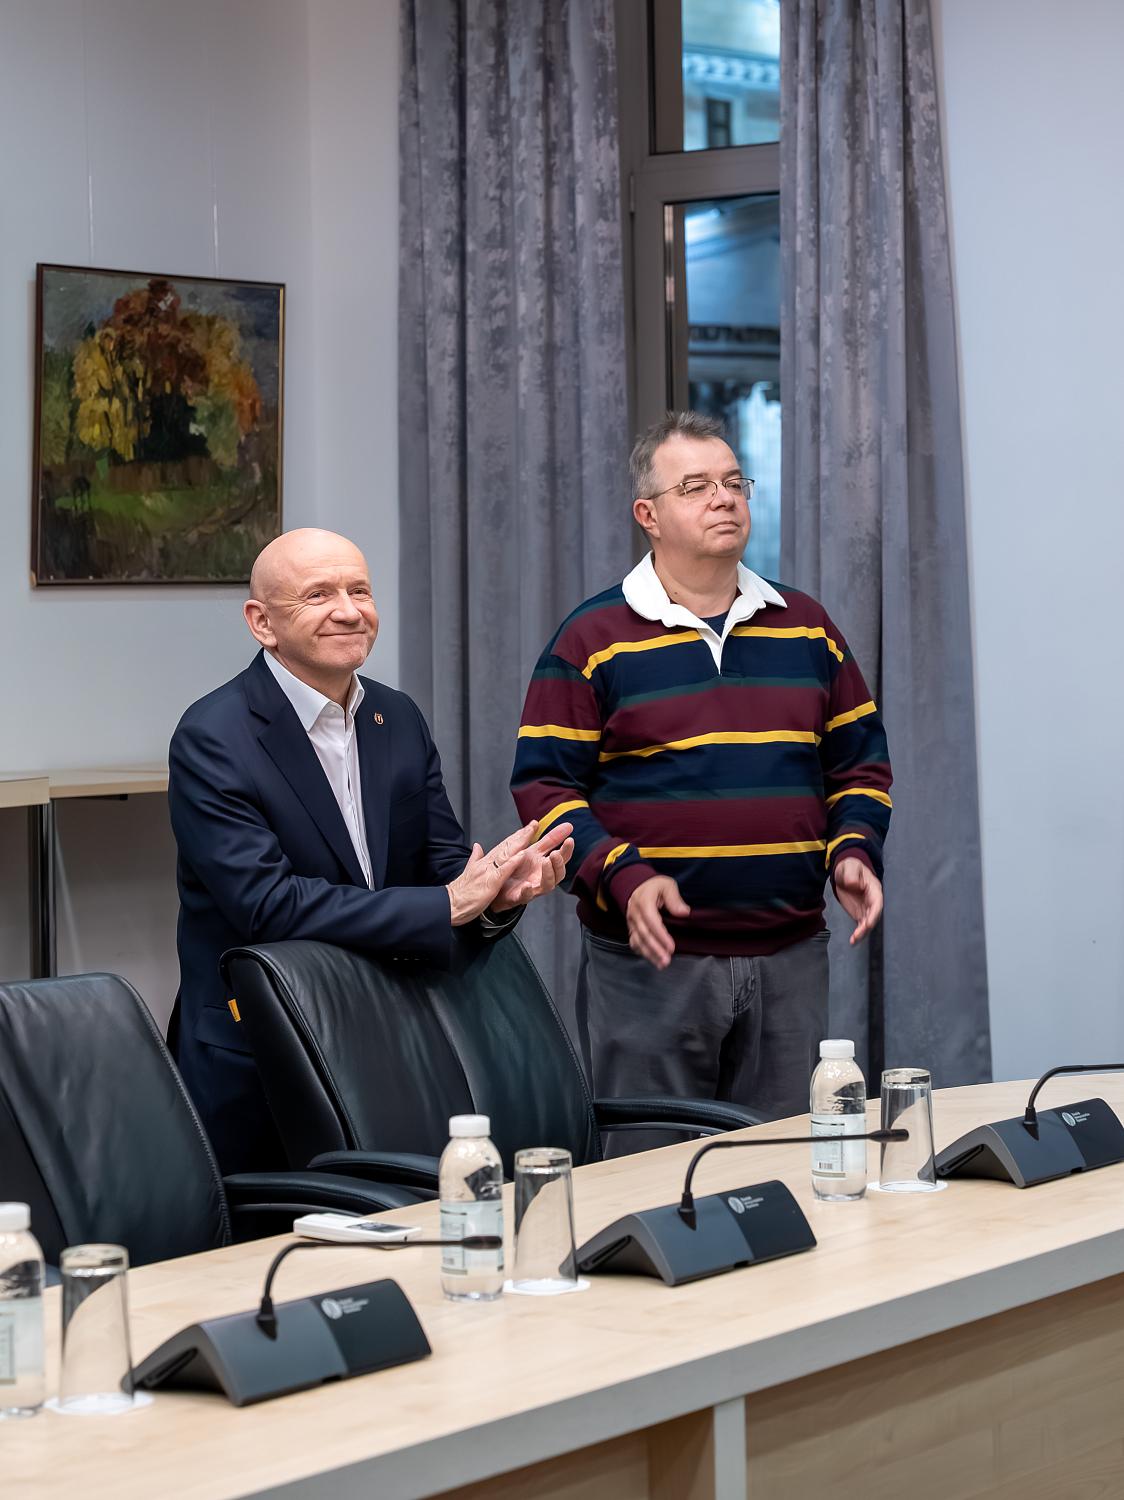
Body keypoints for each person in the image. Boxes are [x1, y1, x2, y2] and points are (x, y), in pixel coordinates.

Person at [511, 411, 891, 1131]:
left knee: (785, 1166)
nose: (724, 499)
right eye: (695, 487)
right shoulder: (591, 638)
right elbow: (544, 788)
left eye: (733, 482)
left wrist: (853, 850)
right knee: (651, 1172)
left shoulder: (807, 627)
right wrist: (623, 875)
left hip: (790, 958)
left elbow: (860, 765)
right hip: (651, 967)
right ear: (648, 515)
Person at [169, 528, 574, 1173]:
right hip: (261, 1049)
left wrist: (497, 894)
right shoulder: (213, 735)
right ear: (262, 623)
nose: (349, 610)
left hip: (381, 1037)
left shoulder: (398, 716)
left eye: (360, 590)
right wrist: (446, 904)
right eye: (318, 595)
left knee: (394, 1221)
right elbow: (266, 906)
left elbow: (442, 868)